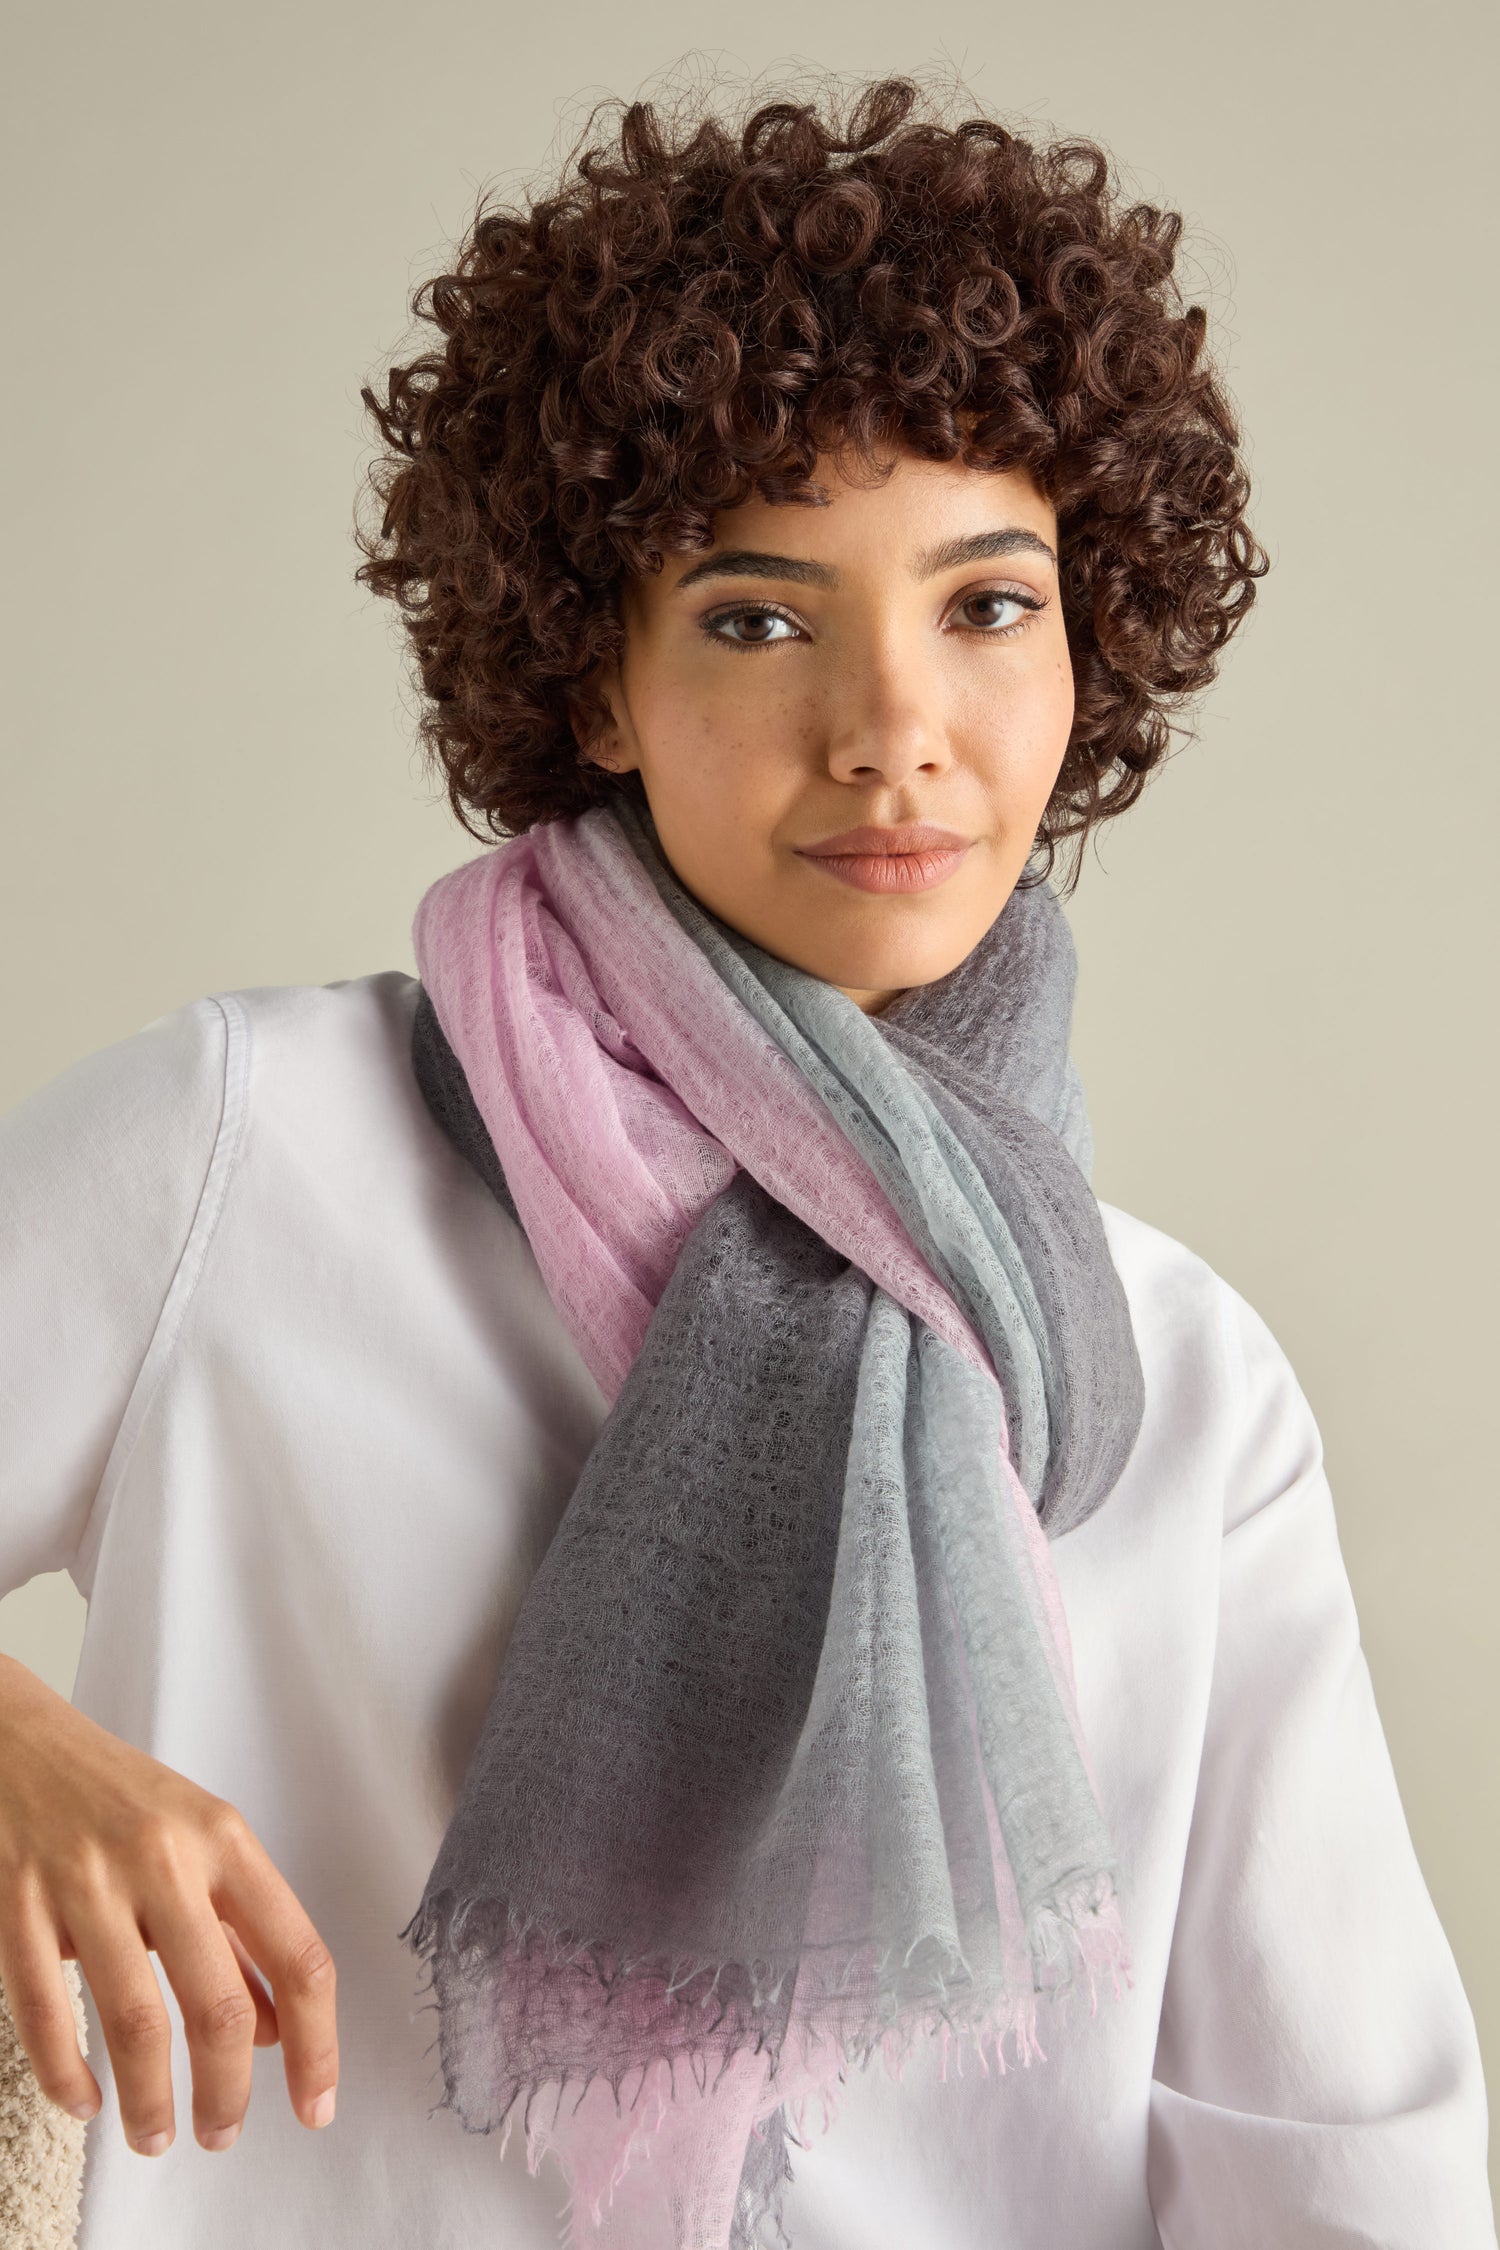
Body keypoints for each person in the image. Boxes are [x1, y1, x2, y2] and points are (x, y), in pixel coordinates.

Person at [0, 75, 1492, 2250]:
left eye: (988, 608)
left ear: (1095, 646)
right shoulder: (246, 1156)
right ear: (595, 672)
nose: (894, 724)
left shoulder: (1177, 1382)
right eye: (760, 617)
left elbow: (1342, 2166)